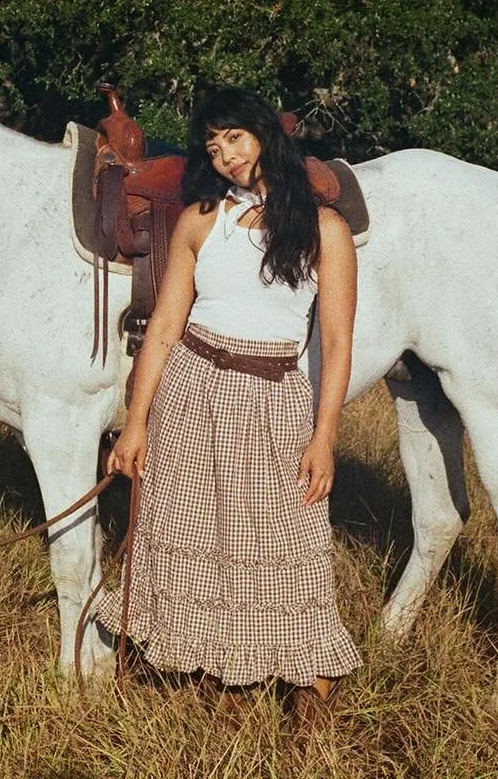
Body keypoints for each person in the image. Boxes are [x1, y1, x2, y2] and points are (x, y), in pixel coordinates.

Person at [96, 87, 361, 714]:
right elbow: (162, 327)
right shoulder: (200, 220)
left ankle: (312, 676)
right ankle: (208, 662)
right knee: (191, 529)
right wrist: (134, 425)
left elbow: (339, 343)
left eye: (235, 139)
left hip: (272, 395)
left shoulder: (326, 231)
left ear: (265, 135)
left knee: (284, 538)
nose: (226, 157)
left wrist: (324, 437)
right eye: (214, 148)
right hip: (191, 388)